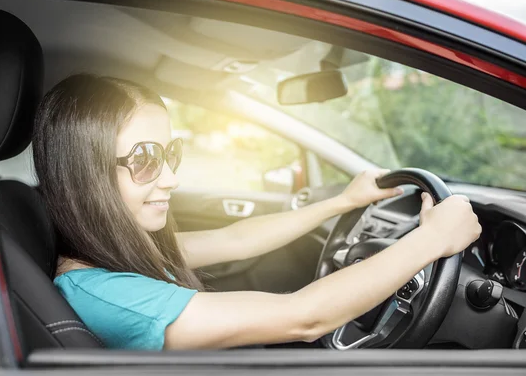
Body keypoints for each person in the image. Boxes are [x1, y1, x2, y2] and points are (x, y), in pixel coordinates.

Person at [32, 73, 481, 351]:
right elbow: (305, 318)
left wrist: (342, 201)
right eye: (146, 159)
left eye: (171, 154)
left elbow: (236, 239)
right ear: (86, 176)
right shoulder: (110, 297)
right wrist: (432, 240)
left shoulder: (116, 252)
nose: (170, 178)